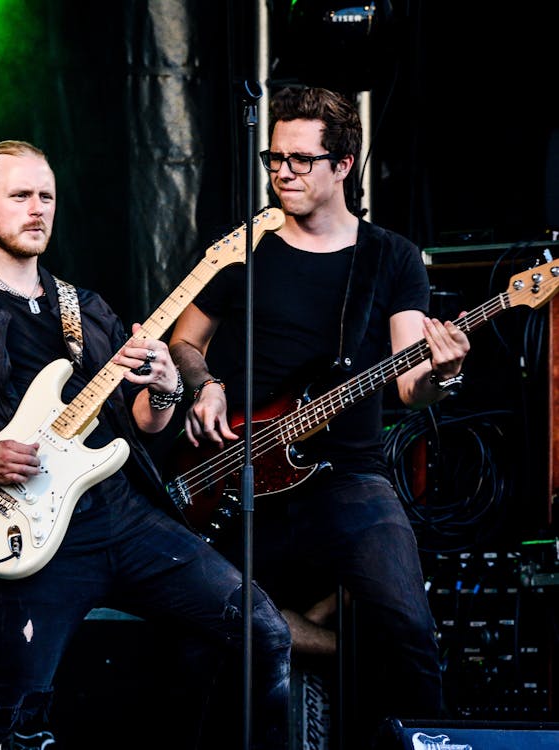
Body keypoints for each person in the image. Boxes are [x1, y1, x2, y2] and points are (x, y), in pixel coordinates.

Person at [0, 140, 292, 750]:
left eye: (46, 196)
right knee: (12, 714)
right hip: (31, 526)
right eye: (20, 196)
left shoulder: (82, 307)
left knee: (262, 632)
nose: (37, 209)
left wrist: (167, 384)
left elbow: (142, 425)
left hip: (120, 516)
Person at [167, 85, 469, 745]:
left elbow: (410, 383)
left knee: (407, 628)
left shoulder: (388, 257)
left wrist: (444, 370)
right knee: (193, 630)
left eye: (301, 159)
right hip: (233, 470)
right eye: (274, 157)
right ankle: (311, 639)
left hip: (344, 477)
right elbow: (184, 340)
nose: (282, 171)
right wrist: (204, 385)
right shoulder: (243, 246)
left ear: (343, 164)